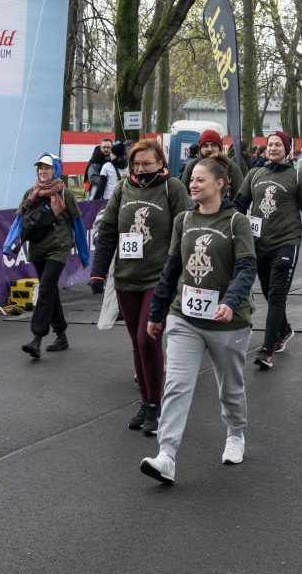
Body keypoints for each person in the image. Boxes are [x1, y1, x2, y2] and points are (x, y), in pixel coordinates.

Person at [139, 152, 257, 484]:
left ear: (219, 184)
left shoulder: (236, 222)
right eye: (191, 179)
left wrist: (230, 302)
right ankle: (166, 456)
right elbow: (171, 269)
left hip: (227, 322)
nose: (192, 184)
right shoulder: (184, 221)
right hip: (185, 317)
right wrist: (156, 312)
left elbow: (247, 268)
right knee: (176, 385)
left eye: (200, 179)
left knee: (230, 388)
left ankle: (235, 434)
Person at [89, 139, 189, 435]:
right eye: (136, 164)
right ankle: (146, 402)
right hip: (126, 277)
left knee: (149, 338)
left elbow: (186, 232)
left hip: (158, 278)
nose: (141, 169)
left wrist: (183, 278)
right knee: (136, 341)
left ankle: (156, 404)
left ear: (160, 163)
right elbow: (108, 229)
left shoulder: (173, 188)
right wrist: (98, 273)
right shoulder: (123, 188)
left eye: (147, 163)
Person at [232, 130, 302, 370]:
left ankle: (266, 349)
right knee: (268, 292)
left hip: (286, 243)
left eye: (278, 145)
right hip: (258, 244)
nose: (273, 148)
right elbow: (238, 206)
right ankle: (284, 330)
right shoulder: (254, 174)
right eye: (270, 144)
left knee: (277, 295)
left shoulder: (297, 177)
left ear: (286, 149)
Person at [3, 153, 89, 358]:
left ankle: (36, 338)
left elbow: (77, 225)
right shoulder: (30, 193)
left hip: (58, 248)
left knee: (45, 290)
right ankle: (61, 335)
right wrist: (8, 245)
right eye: (40, 167)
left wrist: (84, 256)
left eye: (47, 167)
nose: (43, 171)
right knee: (50, 292)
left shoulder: (65, 194)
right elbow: (19, 221)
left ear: (55, 170)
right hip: (37, 249)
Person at [181, 130, 244, 196]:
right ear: (200, 149)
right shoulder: (192, 165)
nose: (209, 149)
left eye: (214, 145)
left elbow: (239, 197)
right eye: (205, 145)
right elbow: (183, 194)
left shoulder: (231, 166)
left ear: (219, 148)